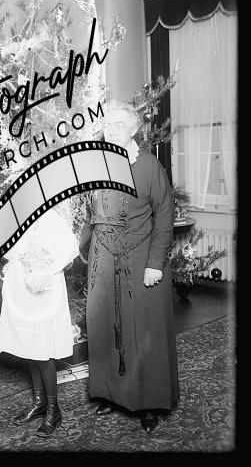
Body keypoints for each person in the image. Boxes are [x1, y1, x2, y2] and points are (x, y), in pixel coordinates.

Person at [79, 100, 179, 433]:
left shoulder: (148, 166)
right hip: (103, 261)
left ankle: (148, 403)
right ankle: (111, 394)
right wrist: (81, 250)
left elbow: (164, 216)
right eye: (108, 124)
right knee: (104, 327)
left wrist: (155, 264)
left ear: (134, 129)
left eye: (119, 124)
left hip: (141, 261)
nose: (111, 130)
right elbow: (90, 214)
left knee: (144, 332)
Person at [0, 206, 78, 437]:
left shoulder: (50, 218)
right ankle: (40, 403)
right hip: (22, 286)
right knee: (30, 345)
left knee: (43, 349)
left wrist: (45, 271)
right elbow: (8, 249)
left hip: (45, 288)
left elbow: (69, 248)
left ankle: (54, 410)